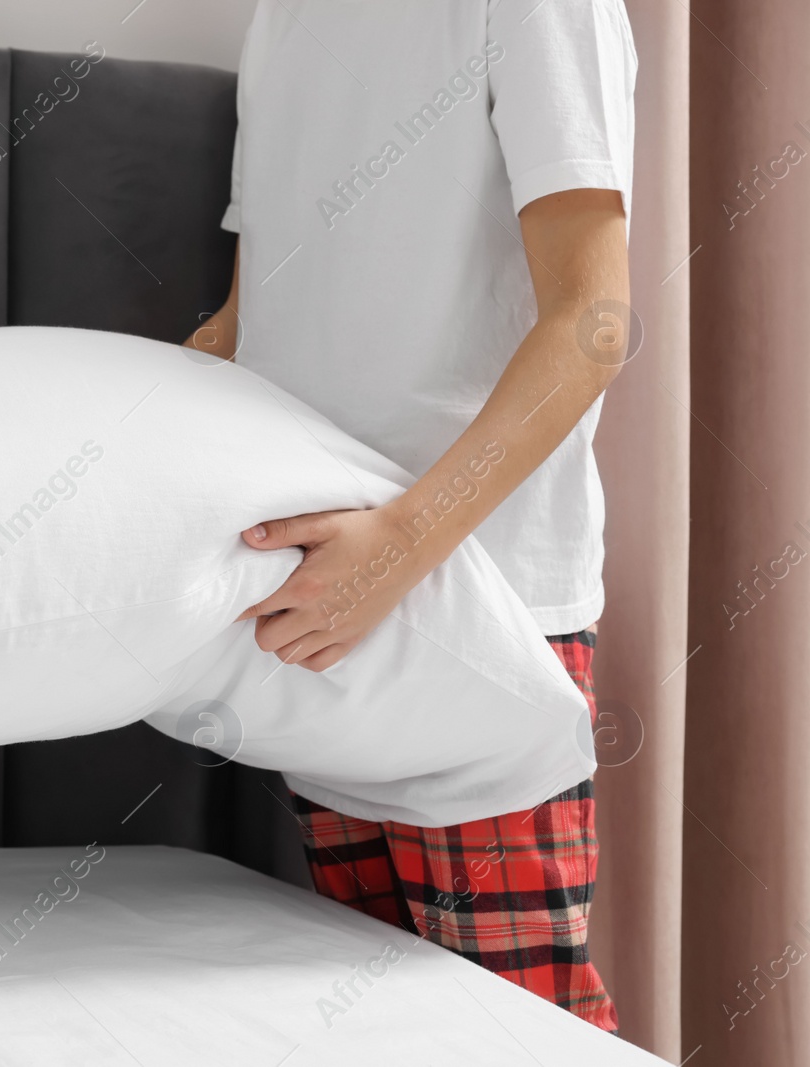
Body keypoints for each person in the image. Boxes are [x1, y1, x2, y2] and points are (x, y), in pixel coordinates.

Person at [184, 0, 637, 1032]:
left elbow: (592, 320)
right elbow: (245, 323)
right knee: (384, 1022)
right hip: (316, 599)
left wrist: (396, 547)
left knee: (519, 1028)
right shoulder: (283, 19)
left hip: (483, 591)